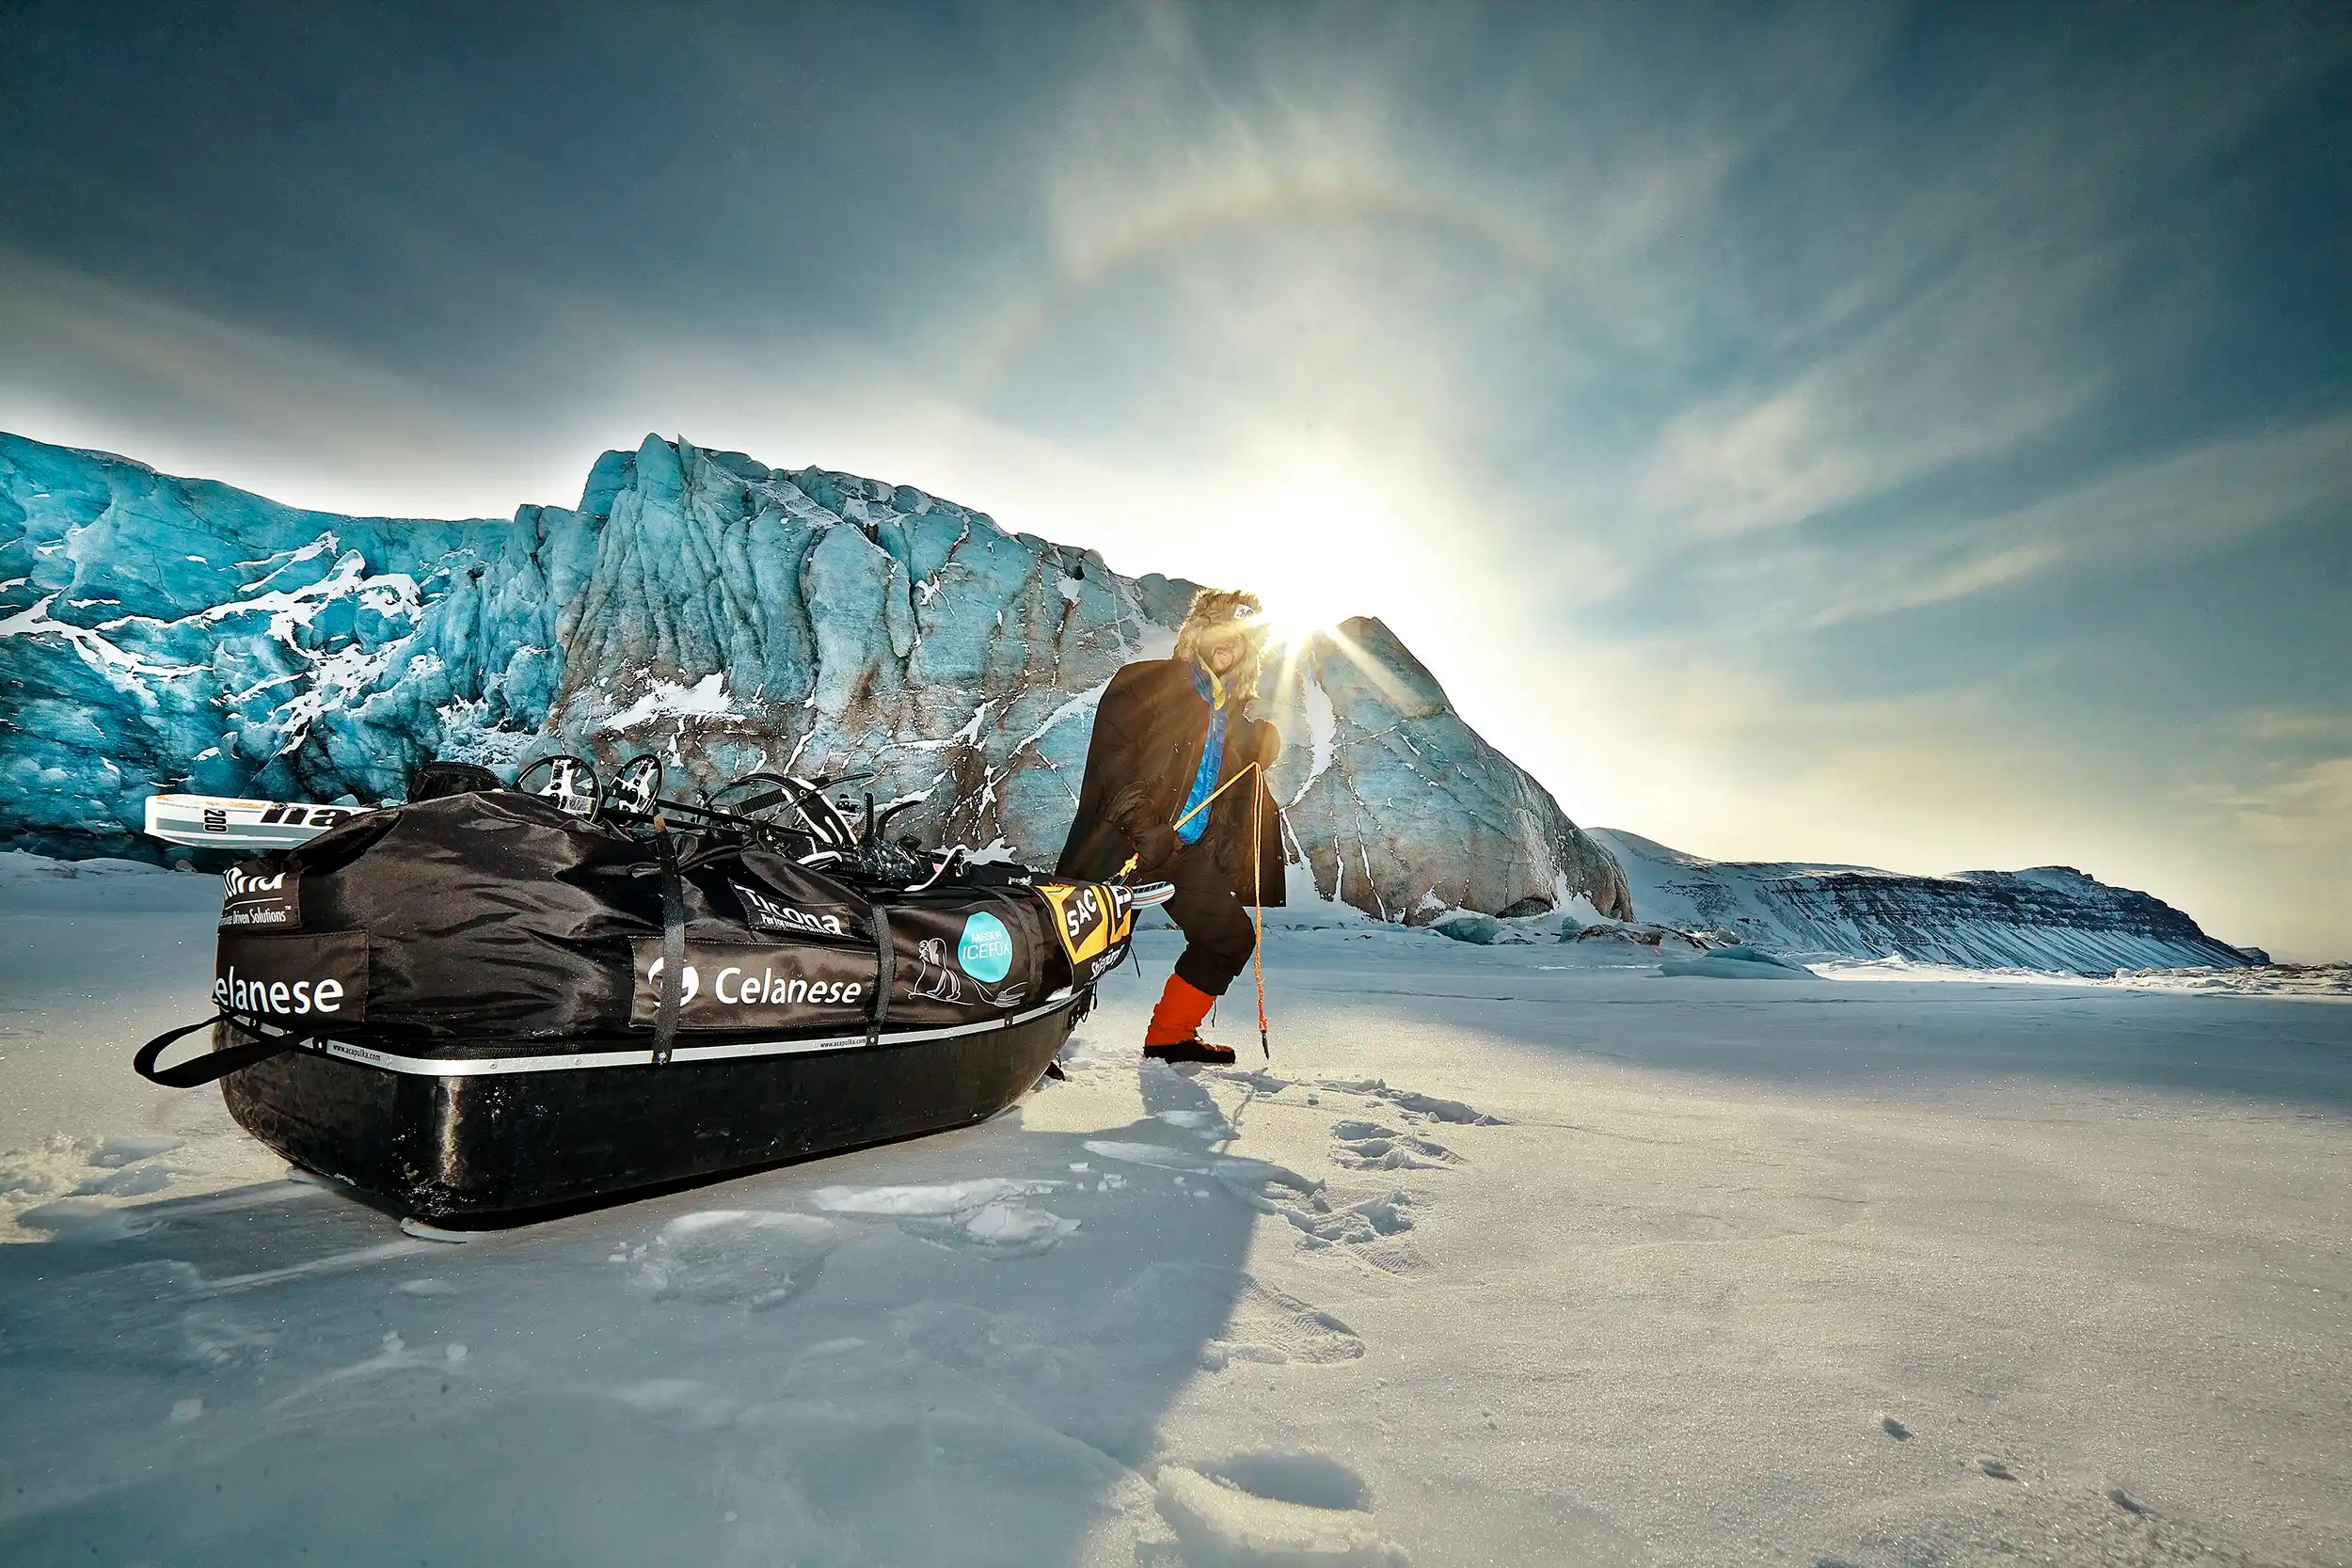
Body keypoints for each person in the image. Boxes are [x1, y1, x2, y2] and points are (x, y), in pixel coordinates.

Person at [1057, 588, 1285, 1064]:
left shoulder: (1232, 719)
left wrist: (1261, 745)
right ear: (1200, 631)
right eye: (1223, 628)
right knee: (1074, 950)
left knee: (1229, 938)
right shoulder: (1146, 682)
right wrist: (1144, 824)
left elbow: (1242, 784)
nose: (1231, 643)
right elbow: (1113, 761)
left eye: (1242, 638)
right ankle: (1030, 1041)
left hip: (1183, 853)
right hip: (1121, 841)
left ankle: (1170, 1035)